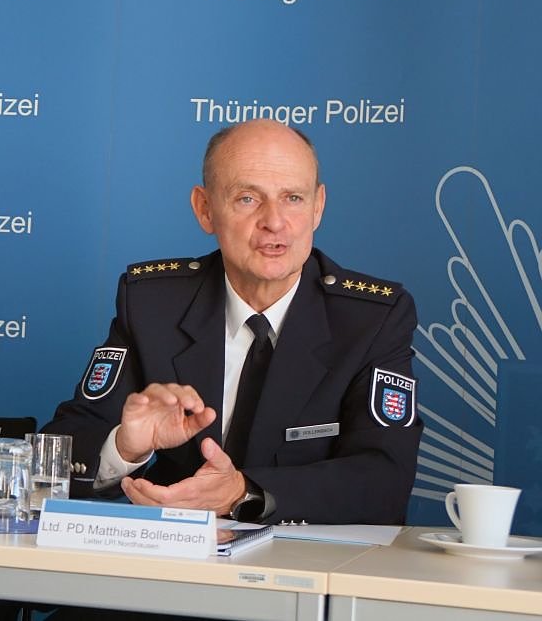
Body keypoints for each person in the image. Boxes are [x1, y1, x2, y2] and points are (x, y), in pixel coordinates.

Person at [44, 118, 421, 525]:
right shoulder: (153, 303)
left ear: (318, 207)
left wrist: (243, 493)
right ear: (205, 209)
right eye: (247, 198)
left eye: (293, 198)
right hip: (177, 556)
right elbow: (60, 447)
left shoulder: (371, 318)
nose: (274, 221)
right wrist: (124, 447)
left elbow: (385, 479)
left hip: (311, 558)